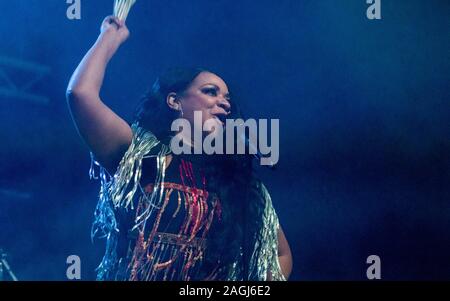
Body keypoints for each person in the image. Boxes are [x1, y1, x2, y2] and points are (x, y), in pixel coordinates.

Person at [66, 16, 292, 281]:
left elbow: (282, 254)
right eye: (211, 92)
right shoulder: (140, 152)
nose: (224, 104)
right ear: (174, 101)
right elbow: (80, 95)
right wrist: (109, 37)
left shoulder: (239, 183)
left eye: (227, 99)